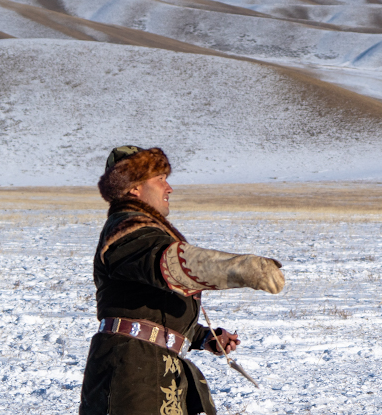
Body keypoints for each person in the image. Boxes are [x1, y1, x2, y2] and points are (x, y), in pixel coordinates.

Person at [79, 146, 285, 415]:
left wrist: (203, 337)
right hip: (130, 370)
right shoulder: (126, 232)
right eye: (160, 178)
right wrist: (244, 268)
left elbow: (145, 307)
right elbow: (168, 263)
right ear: (134, 188)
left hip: (150, 365)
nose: (169, 188)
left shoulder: (141, 229)